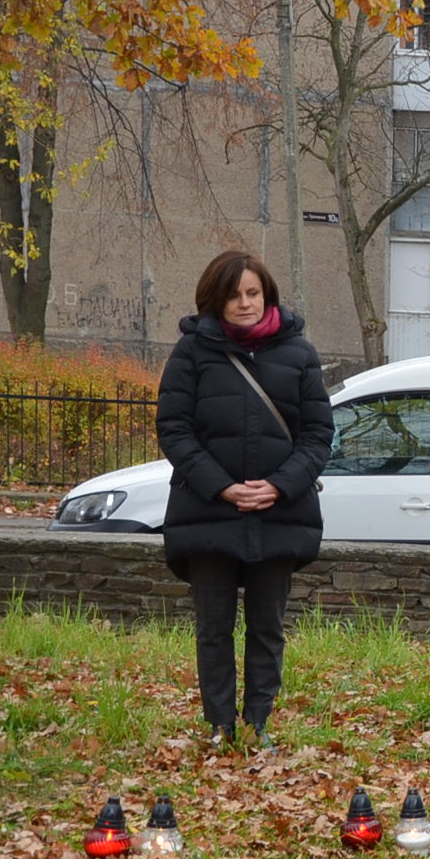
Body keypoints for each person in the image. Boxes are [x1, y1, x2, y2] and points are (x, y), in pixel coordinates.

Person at [155, 250, 332, 751]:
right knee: (213, 628)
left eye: (253, 293)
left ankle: (258, 724)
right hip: (208, 514)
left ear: (267, 294)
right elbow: (174, 429)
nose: (245, 303)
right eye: (234, 295)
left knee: (267, 628)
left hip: (278, 514)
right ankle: (219, 726)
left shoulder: (299, 353)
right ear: (216, 298)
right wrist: (222, 486)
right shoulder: (190, 353)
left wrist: (279, 485)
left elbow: (319, 434)